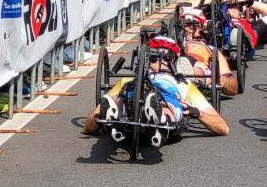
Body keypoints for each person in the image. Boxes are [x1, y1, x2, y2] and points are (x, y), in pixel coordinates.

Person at [84, 35, 228, 142]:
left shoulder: (185, 85)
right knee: (123, 97)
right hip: (133, 98)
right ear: (146, 60)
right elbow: (88, 126)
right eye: (154, 59)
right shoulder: (127, 80)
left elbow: (223, 128)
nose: (160, 62)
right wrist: (100, 114)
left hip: (168, 99)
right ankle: (115, 116)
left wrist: (195, 112)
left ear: (175, 61)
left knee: (164, 103)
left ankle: (159, 118)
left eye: (167, 58)